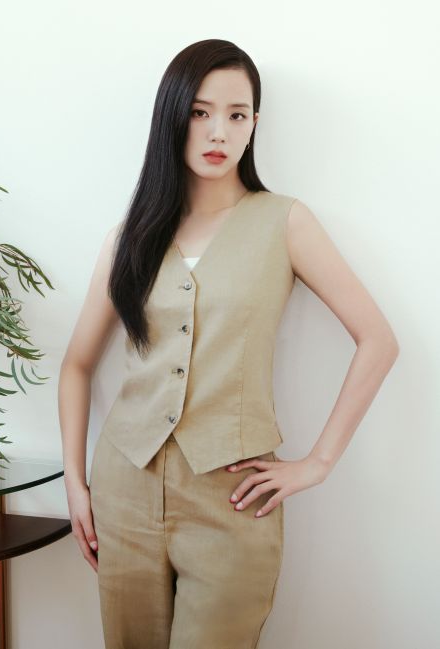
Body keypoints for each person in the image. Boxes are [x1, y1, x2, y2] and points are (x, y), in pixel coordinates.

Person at [58, 38, 399, 648]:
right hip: (124, 494)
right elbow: (77, 366)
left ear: (254, 125)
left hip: (234, 500)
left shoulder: (284, 221)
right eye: (200, 112)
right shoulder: (129, 238)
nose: (219, 131)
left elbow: (377, 339)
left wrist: (319, 462)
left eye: (237, 114)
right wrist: (77, 487)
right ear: (173, 116)